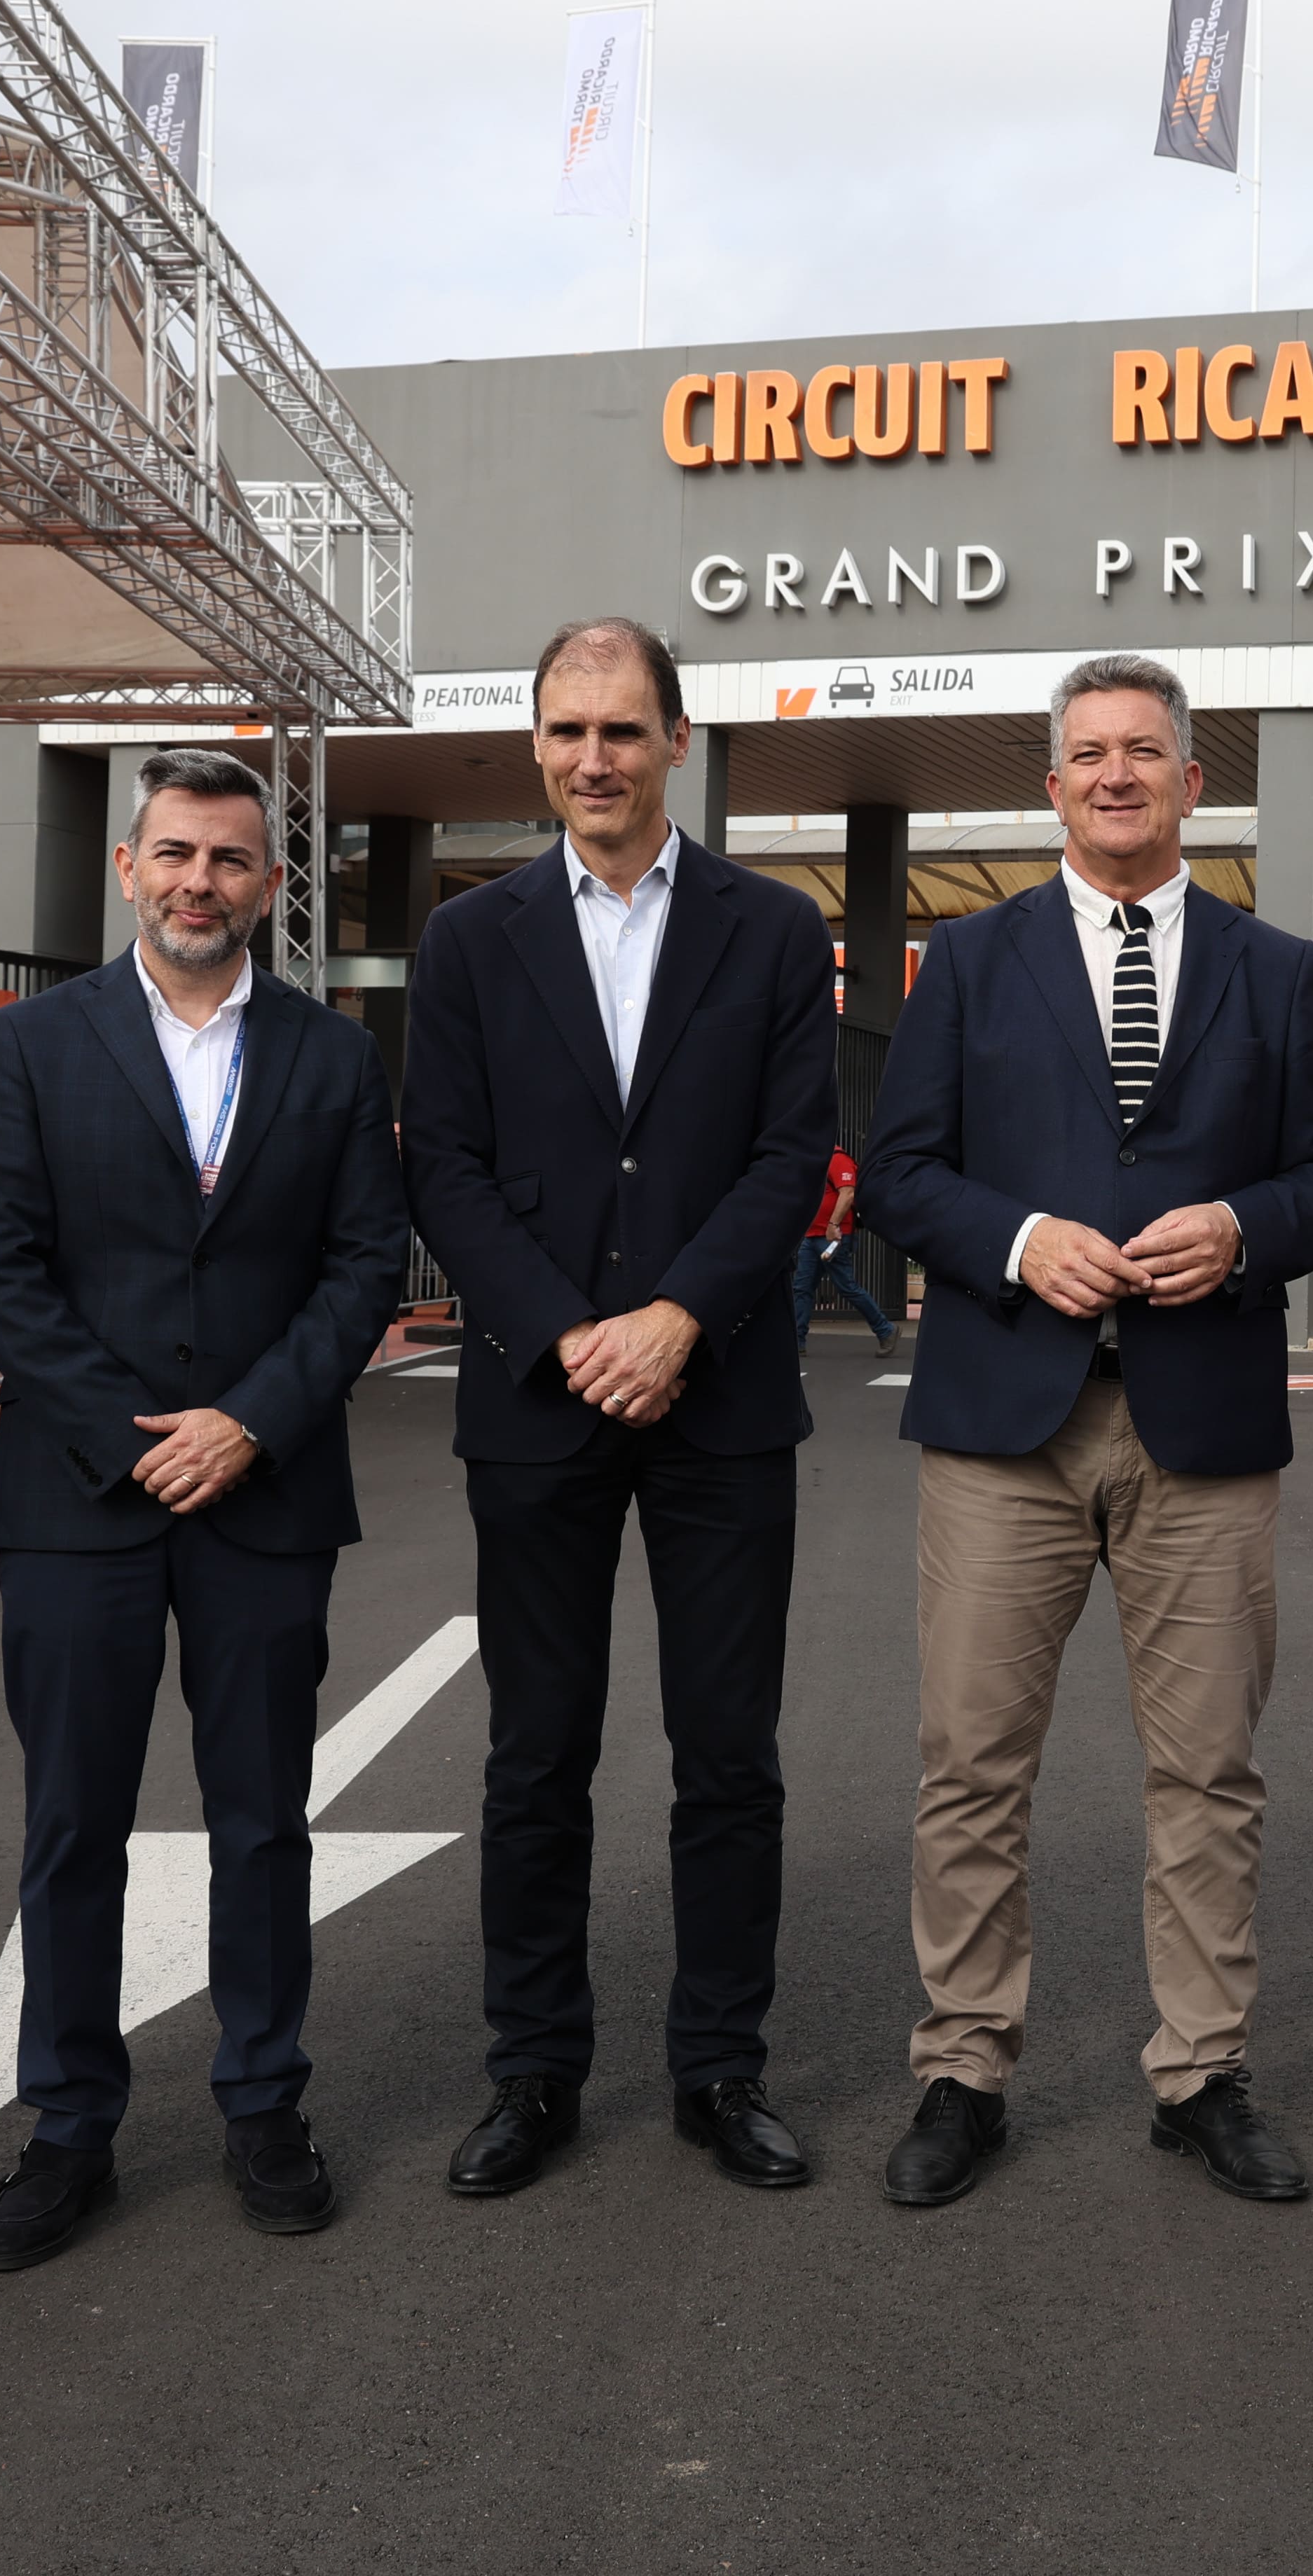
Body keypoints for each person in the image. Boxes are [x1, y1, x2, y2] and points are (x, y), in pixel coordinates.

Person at [860, 651, 1313, 2208]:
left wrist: (1239, 1227)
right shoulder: (967, 961)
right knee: (969, 1767)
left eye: (1144, 752)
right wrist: (1016, 1244)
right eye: (1087, 754)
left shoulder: (1269, 968)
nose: (1115, 776)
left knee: (1206, 1774)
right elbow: (899, 1175)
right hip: (1005, 1423)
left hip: (1197, 1426)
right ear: (1052, 783)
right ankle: (962, 2070)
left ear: (1190, 782)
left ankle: (1201, 2073)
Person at [0, 747, 407, 2268]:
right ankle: (68, 2125)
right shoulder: (32, 1045)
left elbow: (362, 1269)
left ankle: (263, 2104)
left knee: (262, 1819)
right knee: (72, 1823)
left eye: (229, 859)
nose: (200, 881)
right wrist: (137, 1437)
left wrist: (250, 1423)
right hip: (86, 1500)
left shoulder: (335, 1060)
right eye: (175, 855)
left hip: (265, 1496)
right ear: (128, 870)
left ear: (271, 886)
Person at [399, 617, 839, 2197]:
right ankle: (534, 2072)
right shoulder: (470, 939)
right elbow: (438, 1160)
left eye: (624, 731)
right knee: (536, 1755)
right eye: (568, 731)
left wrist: (672, 1319)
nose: (595, 758)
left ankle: (720, 2069)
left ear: (676, 740)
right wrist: (566, 1331)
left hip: (719, 1401)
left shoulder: (774, 931)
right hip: (538, 1400)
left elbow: (792, 1158)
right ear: (536, 746)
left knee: (728, 1755)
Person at [793, 1143, 897, 1357]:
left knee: (846, 1286)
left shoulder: (837, 1159)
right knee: (802, 1288)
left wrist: (833, 1225)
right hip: (813, 1236)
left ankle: (886, 1330)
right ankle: (797, 1341)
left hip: (832, 1236)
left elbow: (848, 1193)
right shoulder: (818, 1160)